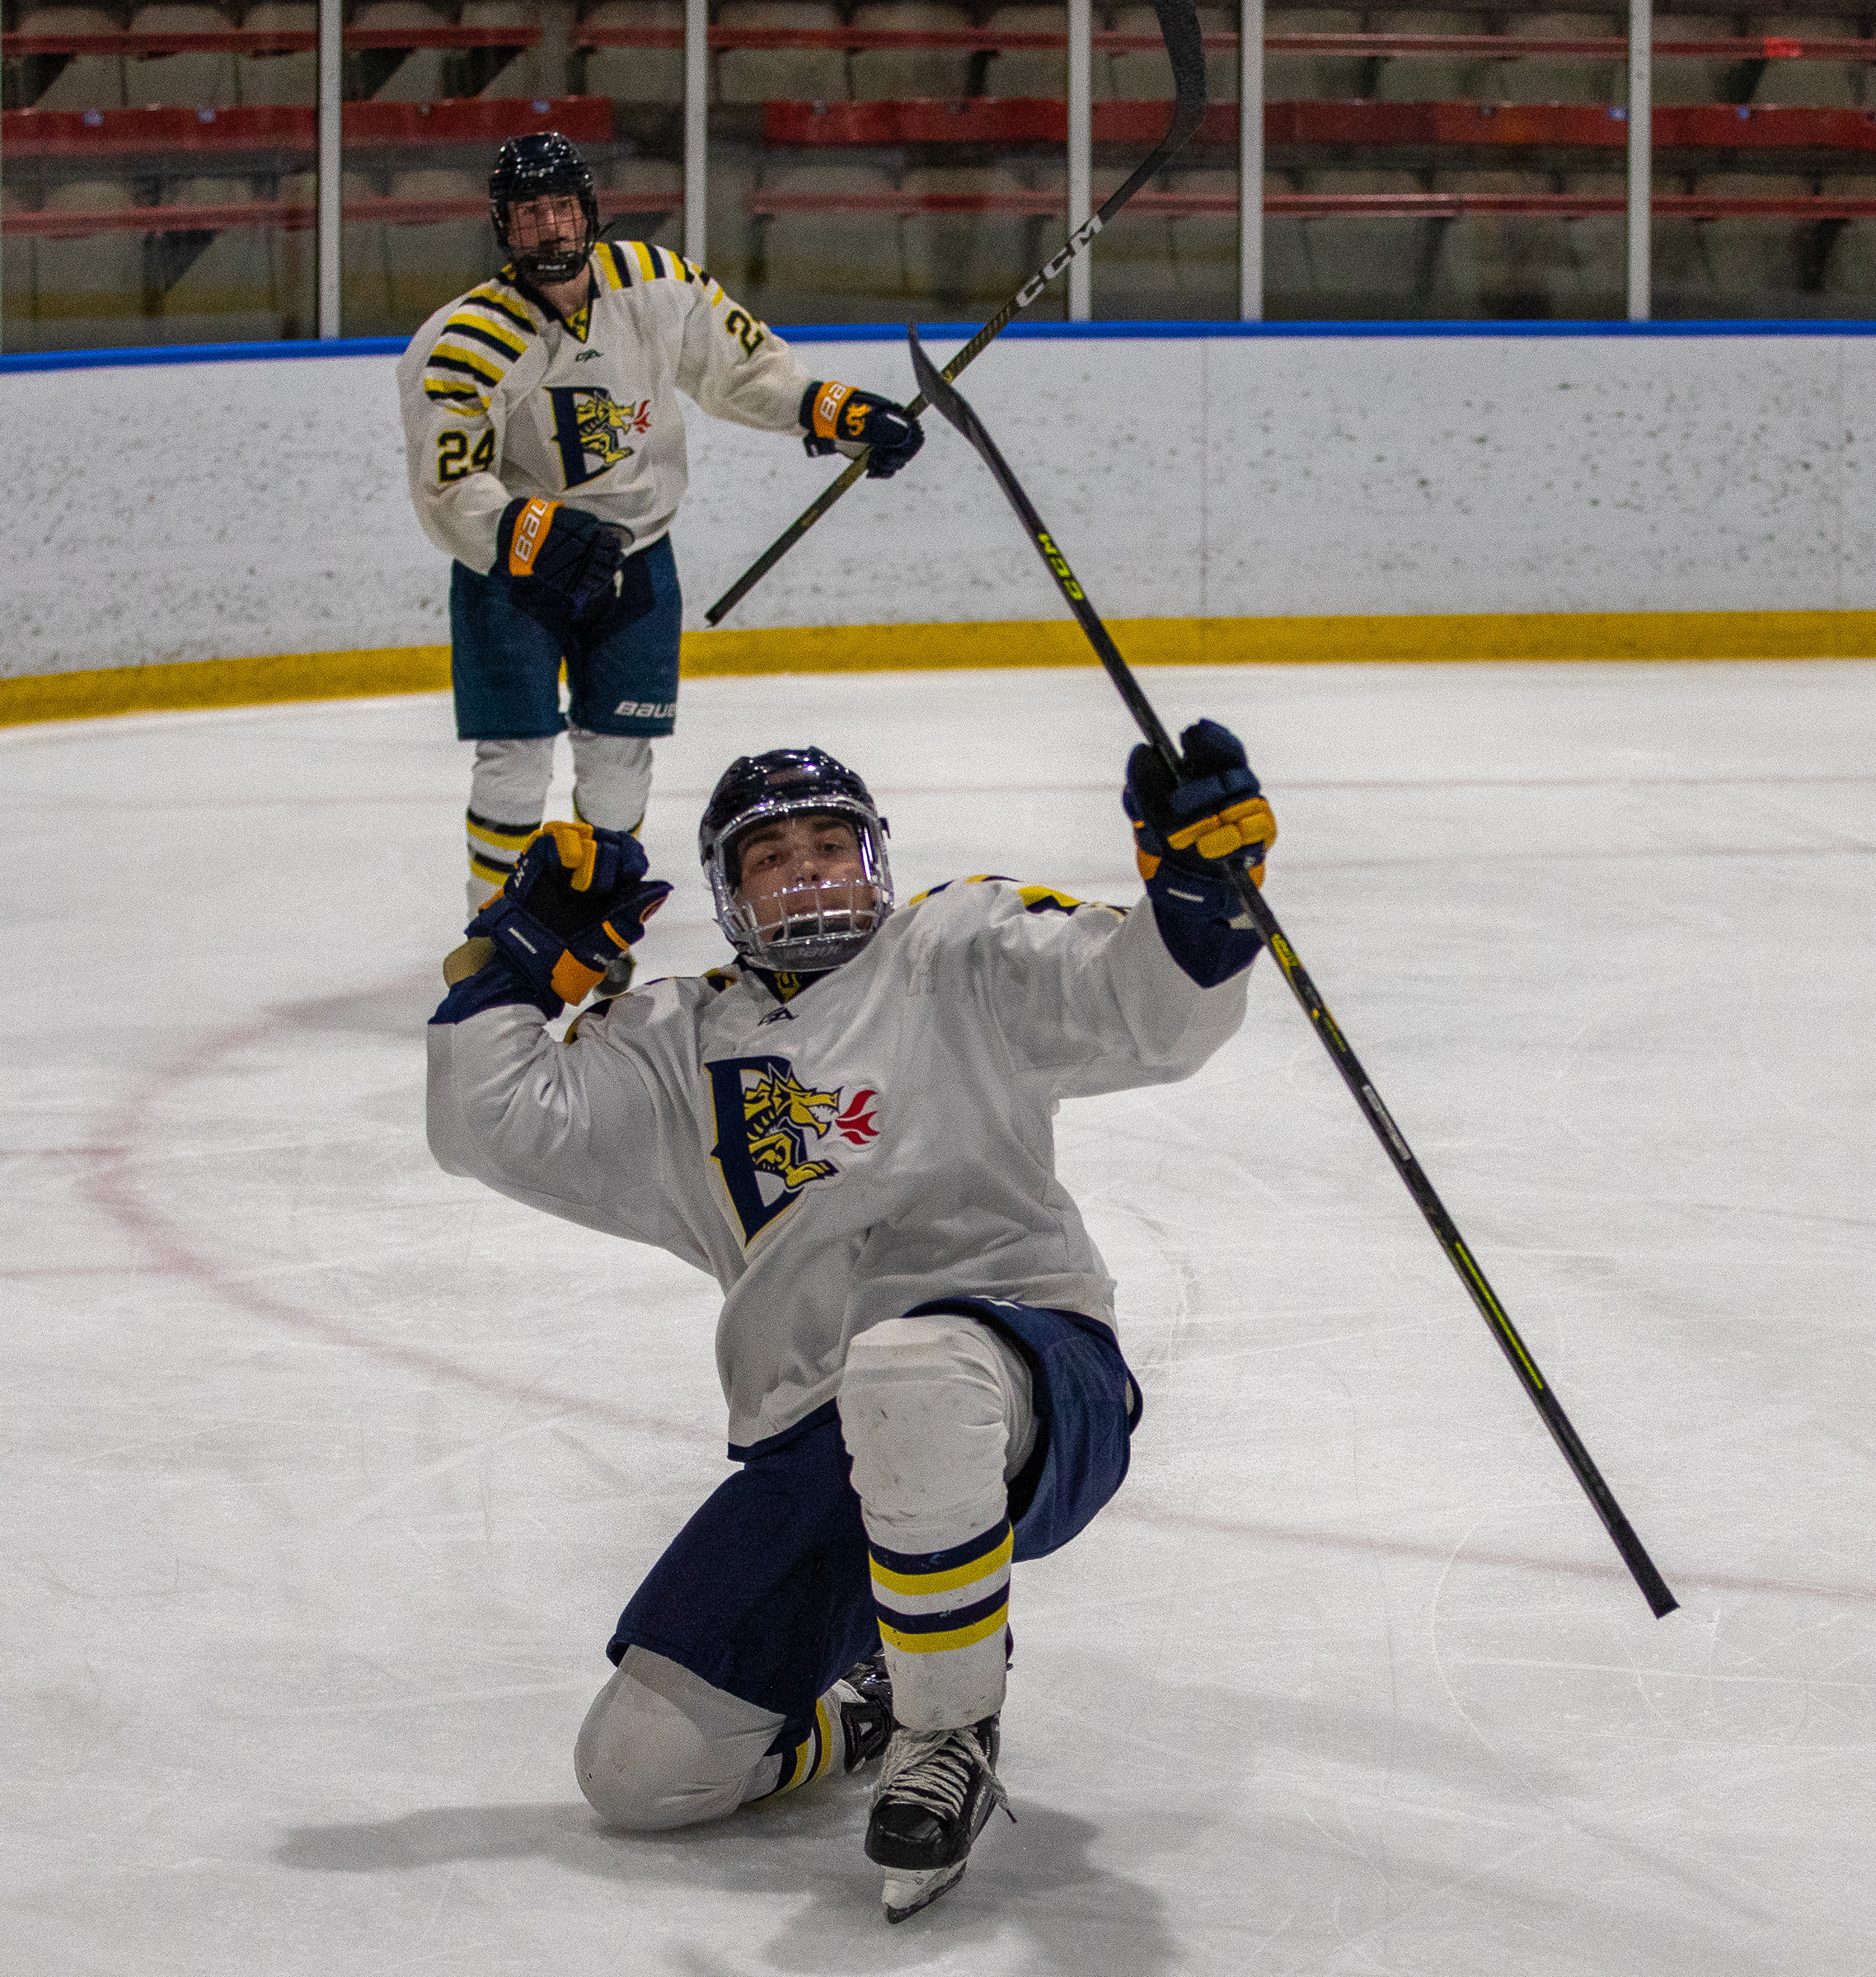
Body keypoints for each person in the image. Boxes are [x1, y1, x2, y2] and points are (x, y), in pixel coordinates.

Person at [423, 726, 1279, 1919]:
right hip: (816, 1444)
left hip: (1036, 1380)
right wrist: (516, 968)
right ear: (729, 897)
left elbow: (1148, 1014)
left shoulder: (959, 949)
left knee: (912, 1364)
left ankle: (949, 1732)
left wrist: (1198, 900)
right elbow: (487, 1128)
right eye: (771, 857)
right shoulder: (678, 1046)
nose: (811, 871)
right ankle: (871, 1703)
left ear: (879, 856)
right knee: (639, 1774)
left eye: (833, 843)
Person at [396, 133, 928, 951]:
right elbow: (448, 488)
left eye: (564, 208)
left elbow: (745, 371)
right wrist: (531, 527)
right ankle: (494, 939)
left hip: (636, 561)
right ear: (505, 227)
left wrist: (834, 410)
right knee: (515, 762)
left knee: (619, 767)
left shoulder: (658, 283)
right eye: (531, 213)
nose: (551, 227)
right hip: (515, 578)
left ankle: (593, 930)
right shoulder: (462, 342)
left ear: (590, 213)